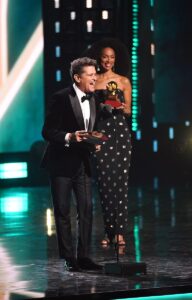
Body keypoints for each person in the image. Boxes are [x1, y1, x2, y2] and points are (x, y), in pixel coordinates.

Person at [41, 57, 102, 272]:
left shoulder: (94, 99)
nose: (95, 77)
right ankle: (69, 257)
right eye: (90, 74)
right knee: (63, 211)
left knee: (86, 209)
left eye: (95, 73)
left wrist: (94, 142)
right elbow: (47, 131)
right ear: (77, 77)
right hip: (60, 163)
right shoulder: (60, 98)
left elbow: (88, 129)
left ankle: (84, 256)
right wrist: (69, 136)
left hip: (82, 163)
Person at [84, 38, 132, 247]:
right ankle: (108, 230)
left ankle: (119, 231)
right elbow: (89, 112)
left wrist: (120, 107)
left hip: (120, 133)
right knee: (104, 183)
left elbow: (129, 110)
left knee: (120, 183)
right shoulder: (94, 82)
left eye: (112, 57)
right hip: (102, 133)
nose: (108, 60)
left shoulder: (123, 81)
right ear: (100, 59)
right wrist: (102, 107)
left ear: (115, 59)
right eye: (105, 57)